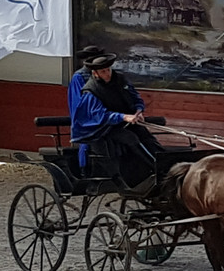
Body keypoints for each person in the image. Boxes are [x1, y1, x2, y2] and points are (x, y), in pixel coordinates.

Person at [71, 52, 163, 189]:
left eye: (108, 70)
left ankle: (164, 162)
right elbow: (100, 115)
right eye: (103, 71)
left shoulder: (120, 80)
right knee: (130, 138)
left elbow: (135, 96)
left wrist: (138, 110)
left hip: (125, 123)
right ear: (96, 74)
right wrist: (124, 117)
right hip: (102, 129)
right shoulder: (91, 91)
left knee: (145, 134)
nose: (107, 74)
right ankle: (155, 167)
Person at [68, 45, 105, 174]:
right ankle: (84, 168)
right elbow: (79, 101)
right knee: (87, 139)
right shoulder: (79, 77)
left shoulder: (103, 75)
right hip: (87, 115)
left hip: (103, 113)